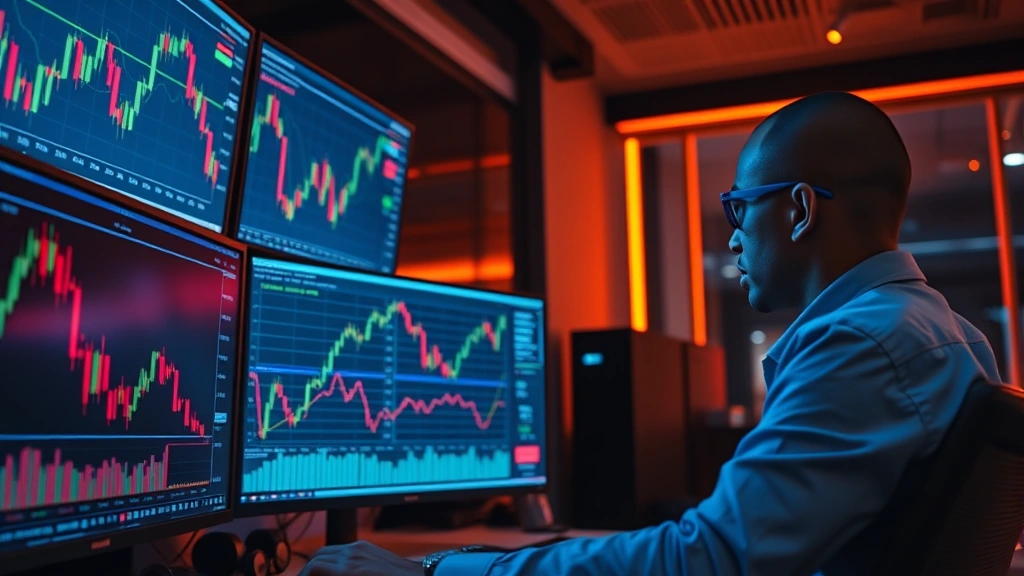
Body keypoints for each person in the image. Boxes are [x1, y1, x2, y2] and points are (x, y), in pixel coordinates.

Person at [298, 92, 1003, 576]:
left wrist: (438, 568)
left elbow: (708, 561)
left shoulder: (864, 346)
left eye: (738, 207)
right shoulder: (952, 335)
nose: (731, 235)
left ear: (795, 211)